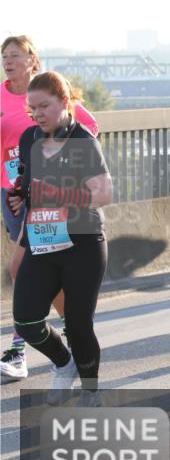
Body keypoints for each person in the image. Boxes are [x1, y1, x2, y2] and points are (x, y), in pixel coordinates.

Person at [8, 72, 112, 406]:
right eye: (32, 107)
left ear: (64, 102)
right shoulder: (28, 138)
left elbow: (104, 193)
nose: (37, 114)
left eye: (44, 106)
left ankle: (91, 390)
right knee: (26, 320)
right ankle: (64, 364)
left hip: (83, 242)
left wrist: (59, 193)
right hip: (41, 239)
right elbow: (28, 184)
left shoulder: (82, 140)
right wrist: (18, 195)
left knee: (79, 325)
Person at [1, 36, 99, 381]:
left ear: (32, 60)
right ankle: (60, 343)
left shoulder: (66, 113)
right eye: (4, 56)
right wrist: (18, 186)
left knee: (23, 265)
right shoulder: (6, 102)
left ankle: (32, 347)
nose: (7, 61)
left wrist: (64, 171)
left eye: (15, 55)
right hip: (24, 198)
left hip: (68, 216)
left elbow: (89, 131)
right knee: (29, 271)